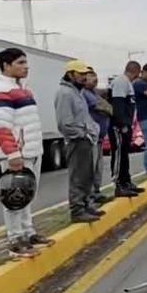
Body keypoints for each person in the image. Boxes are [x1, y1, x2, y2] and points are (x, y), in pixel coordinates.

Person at [0, 47, 55, 258]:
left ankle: (28, 233)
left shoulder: (23, 89)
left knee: (27, 195)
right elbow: (1, 126)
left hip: (31, 151)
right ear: (6, 65)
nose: (26, 66)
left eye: (25, 62)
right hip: (15, 153)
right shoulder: (1, 89)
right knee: (14, 197)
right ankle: (15, 239)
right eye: (20, 62)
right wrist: (12, 154)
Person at [55, 60, 102, 223]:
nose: (84, 77)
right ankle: (77, 210)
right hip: (77, 141)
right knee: (78, 177)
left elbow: (84, 116)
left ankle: (86, 205)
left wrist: (92, 130)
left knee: (87, 175)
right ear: (70, 74)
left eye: (85, 74)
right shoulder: (65, 93)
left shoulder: (77, 92)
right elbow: (64, 123)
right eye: (80, 74)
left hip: (85, 139)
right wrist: (81, 134)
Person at [110, 61, 142, 197]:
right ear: (136, 71)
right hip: (119, 126)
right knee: (118, 155)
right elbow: (118, 105)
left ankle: (126, 181)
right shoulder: (121, 82)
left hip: (127, 125)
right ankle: (118, 184)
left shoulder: (128, 83)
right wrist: (122, 124)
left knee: (124, 155)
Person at [82, 68, 113, 205]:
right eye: (90, 76)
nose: (94, 78)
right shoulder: (84, 94)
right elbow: (103, 107)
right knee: (89, 168)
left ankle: (96, 192)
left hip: (99, 138)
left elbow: (107, 107)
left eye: (95, 75)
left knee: (98, 167)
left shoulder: (94, 93)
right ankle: (88, 196)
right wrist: (107, 107)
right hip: (91, 138)